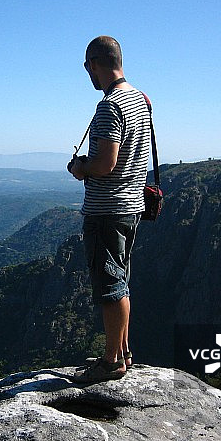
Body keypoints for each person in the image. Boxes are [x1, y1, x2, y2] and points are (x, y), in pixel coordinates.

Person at [67, 35, 151, 383]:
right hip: (132, 206)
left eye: (88, 68)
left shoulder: (110, 106)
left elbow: (105, 163)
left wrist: (80, 168)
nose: (89, 75)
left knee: (110, 286)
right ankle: (124, 352)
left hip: (107, 210)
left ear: (95, 65)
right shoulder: (141, 100)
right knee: (121, 279)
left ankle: (112, 360)